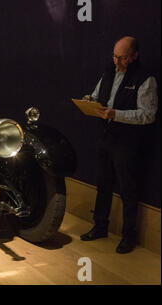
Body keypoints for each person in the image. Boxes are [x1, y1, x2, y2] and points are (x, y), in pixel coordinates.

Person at [80, 36, 158, 254]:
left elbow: (148, 115)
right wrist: (89, 100)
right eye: (115, 56)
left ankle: (128, 236)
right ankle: (100, 226)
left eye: (122, 58)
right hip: (105, 137)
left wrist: (117, 115)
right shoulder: (108, 72)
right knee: (103, 183)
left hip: (128, 142)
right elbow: (97, 95)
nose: (117, 62)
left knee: (128, 190)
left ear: (134, 56)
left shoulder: (145, 79)